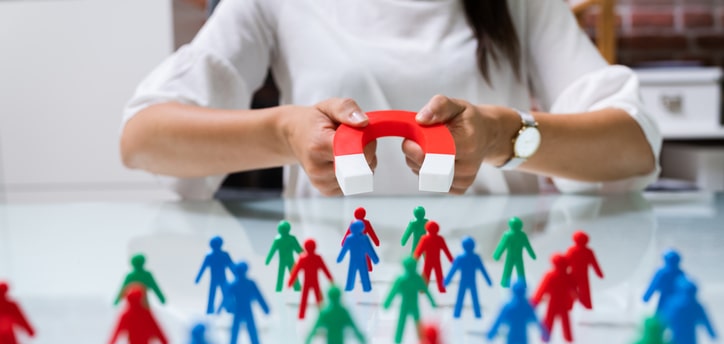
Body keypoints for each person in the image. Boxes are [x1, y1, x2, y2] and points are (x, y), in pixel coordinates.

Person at [120, 0, 661, 199]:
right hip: (330, 281)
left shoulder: (518, 6)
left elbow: (634, 148)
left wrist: (502, 135)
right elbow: (144, 138)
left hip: (492, 279)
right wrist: (285, 132)